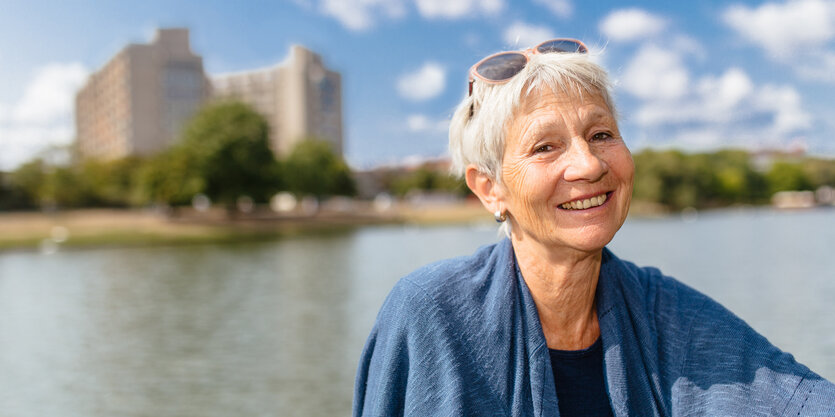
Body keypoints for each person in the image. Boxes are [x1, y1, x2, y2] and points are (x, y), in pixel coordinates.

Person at [353, 39, 835, 416]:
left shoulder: (668, 313)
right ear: (489, 189)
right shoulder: (429, 313)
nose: (587, 165)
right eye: (545, 147)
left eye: (601, 134)